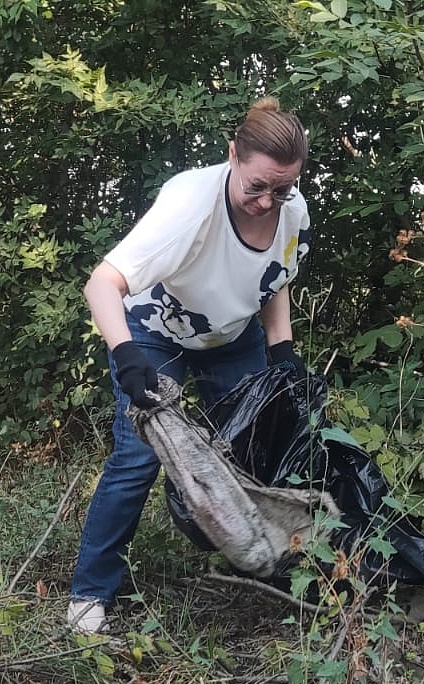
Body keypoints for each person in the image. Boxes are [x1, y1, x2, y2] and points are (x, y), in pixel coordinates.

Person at [68, 96, 311, 633]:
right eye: (258, 187)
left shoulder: (291, 210)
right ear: (232, 157)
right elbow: (101, 284)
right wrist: (127, 358)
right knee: (137, 460)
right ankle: (91, 591)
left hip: (230, 335)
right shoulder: (189, 205)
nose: (269, 201)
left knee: (255, 447)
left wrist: (282, 349)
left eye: (282, 188)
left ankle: (271, 564)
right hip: (153, 335)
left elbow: (275, 278)